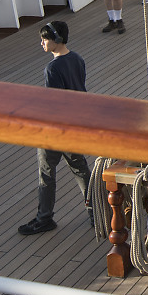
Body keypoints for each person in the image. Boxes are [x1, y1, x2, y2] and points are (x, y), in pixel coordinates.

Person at [18, 20, 92, 236]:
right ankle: (96, 212)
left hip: (57, 130)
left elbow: (55, 104)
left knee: (47, 173)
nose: (42, 43)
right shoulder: (77, 59)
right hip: (75, 125)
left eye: (45, 39)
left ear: (56, 40)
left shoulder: (52, 68)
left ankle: (44, 218)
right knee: (80, 170)